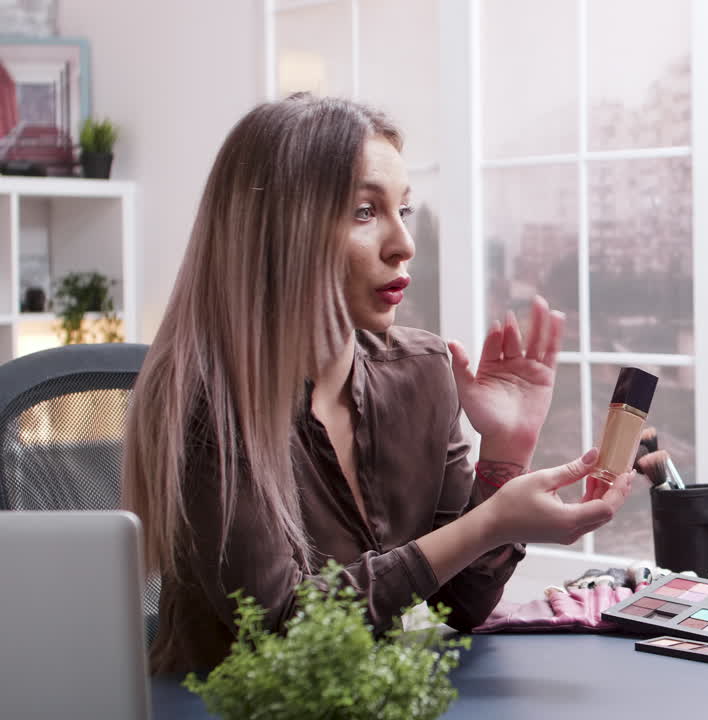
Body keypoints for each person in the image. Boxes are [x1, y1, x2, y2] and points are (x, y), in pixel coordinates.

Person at [123, 94, 633, 674]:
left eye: (403, 210)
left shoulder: (421, 372)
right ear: (275, 233)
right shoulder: (203, 401)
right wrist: (491, 521)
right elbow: (284, 630)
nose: (404, 244)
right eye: (365, 212)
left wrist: (503, 454)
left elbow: (462, 603)